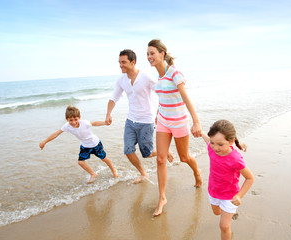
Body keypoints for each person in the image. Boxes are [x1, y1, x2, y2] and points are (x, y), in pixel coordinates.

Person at [147, 39, 203, 216]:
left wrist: (196, 121)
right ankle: (162, 197)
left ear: (162, 54)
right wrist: (157, 113)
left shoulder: (174, 73)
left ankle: (197, 172)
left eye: (152, 53)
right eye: (147, 54)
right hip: (163, 121)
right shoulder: (159, 75)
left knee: (184, 157)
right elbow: (163, 97)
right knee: (161, 159)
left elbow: (186, 98)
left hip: (179, 122)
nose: (149, 57)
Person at [106, 49, 173, 184]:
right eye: (119, 62)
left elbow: (162, 92)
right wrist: (108, 114)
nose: (121, 65)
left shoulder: (145, 76)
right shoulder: (121, 80)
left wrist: (159, 111)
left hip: (146, 121)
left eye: (124, 62)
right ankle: (143, 173)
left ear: (133, 62)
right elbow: (114, 98)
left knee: (147, 153)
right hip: (131, 120)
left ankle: (165, 150)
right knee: (128, 150)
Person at [201, 119, 254, 240]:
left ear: (231, 142)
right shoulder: (212, 148)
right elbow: (208, 141)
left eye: (220, 144)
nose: (215, 147)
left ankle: (229, 216)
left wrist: (239, 196)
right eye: (213, 143)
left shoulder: (235, 159)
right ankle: (228, 213)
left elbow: (250, 178)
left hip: (230, 196)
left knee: (224, 226)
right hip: (213, 190)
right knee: (216, 212)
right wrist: (201, 133)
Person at [39, 105, 118, 183]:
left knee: (104, 159)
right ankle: (93, 174)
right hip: (85, 146)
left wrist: (105, 123)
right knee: (81, 162)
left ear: (79, 117)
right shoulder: (66, 126)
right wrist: (44, 142)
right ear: (67, 119)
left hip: (95, 144)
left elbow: (94, 123)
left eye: (75, 119)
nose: (73, 122)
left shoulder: (84, 123)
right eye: (70, 120)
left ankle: (114, 171)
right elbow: (56, 133)